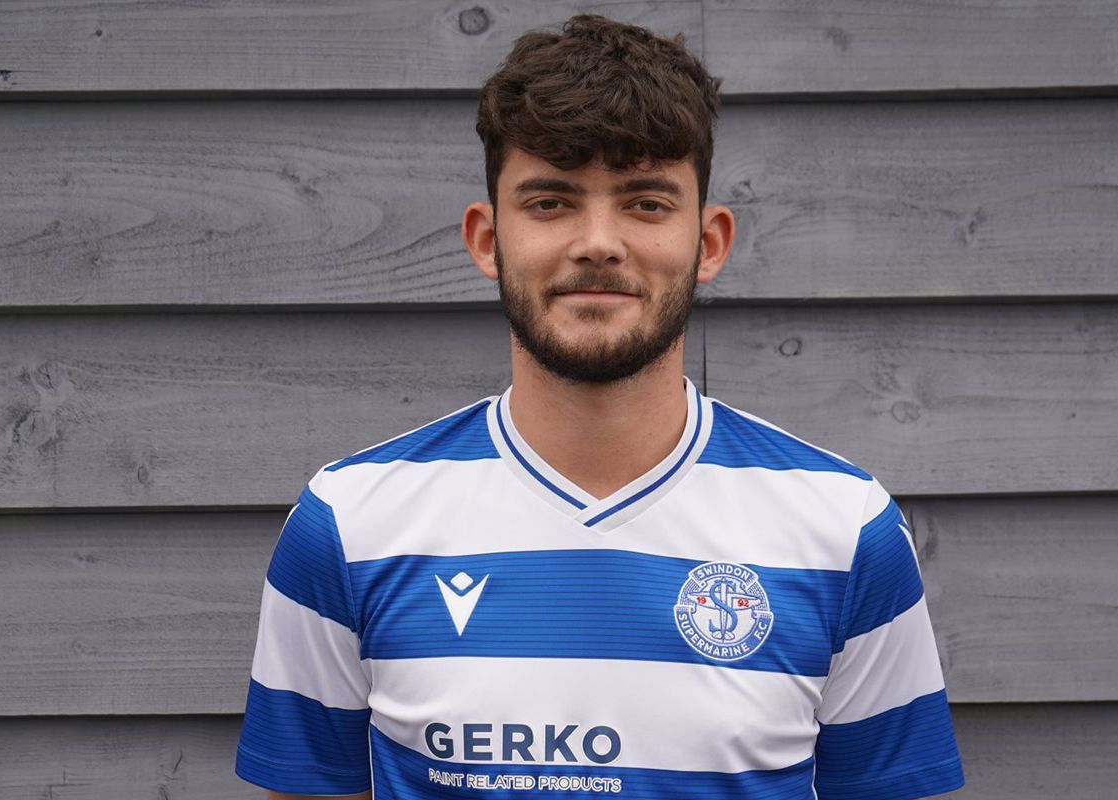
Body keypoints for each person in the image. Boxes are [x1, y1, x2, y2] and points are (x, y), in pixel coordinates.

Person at [234, 14, 965, 800]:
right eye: (551, 202)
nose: (598, 243)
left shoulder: (844, 531)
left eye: (645, 203)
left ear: (709, 243)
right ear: (486, 239)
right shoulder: (349, 524)